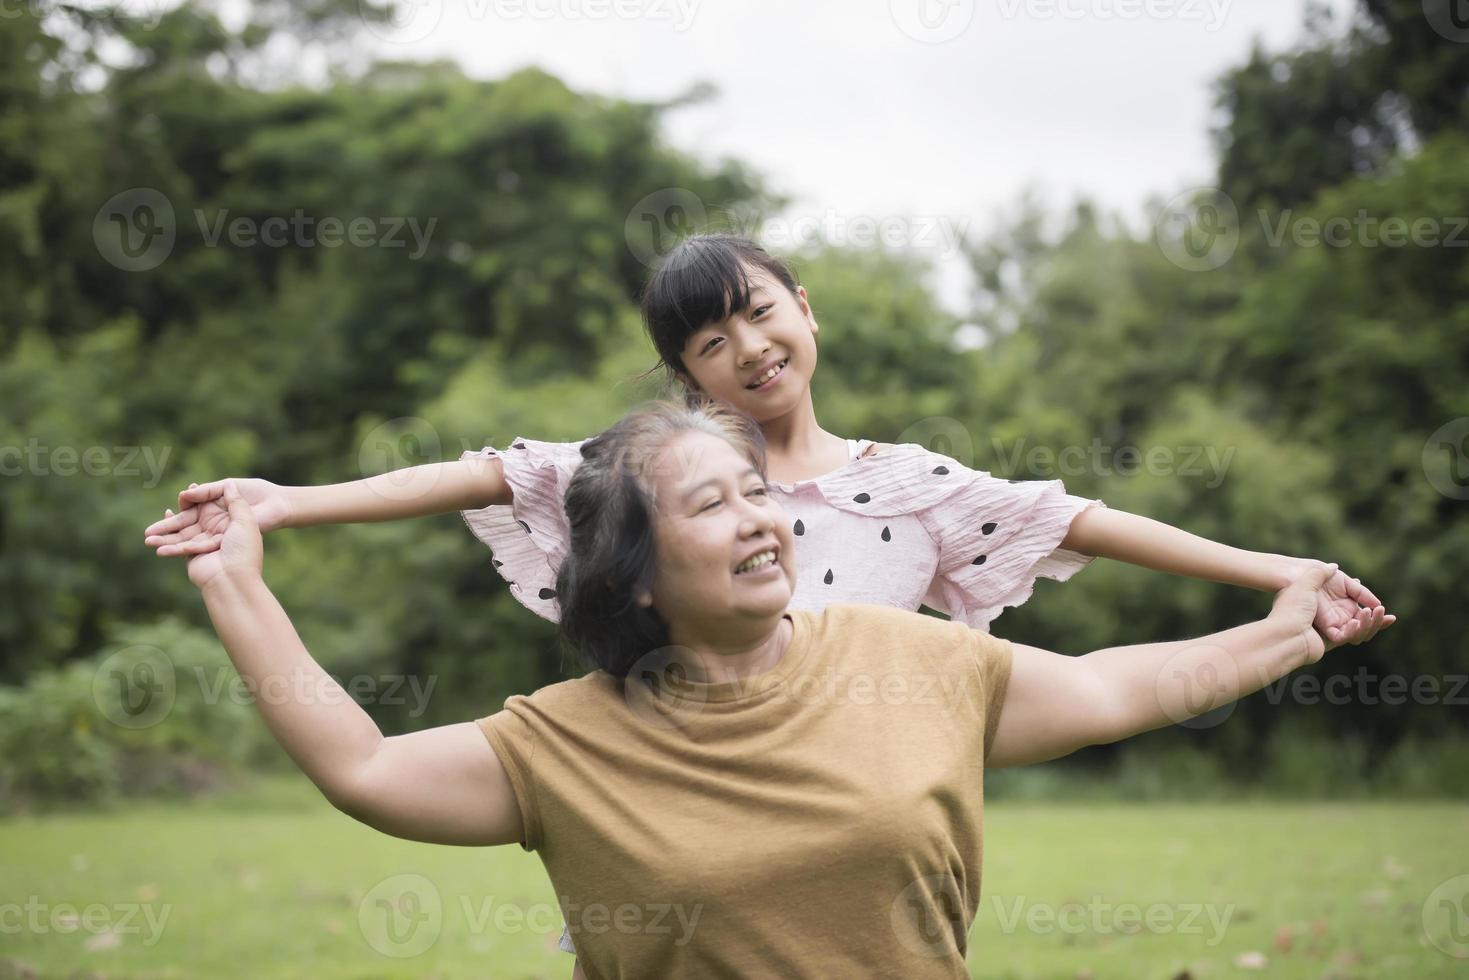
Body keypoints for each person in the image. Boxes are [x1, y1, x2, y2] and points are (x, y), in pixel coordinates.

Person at [144, 235, 1384, 969]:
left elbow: (1097, 583)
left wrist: (1279, 595)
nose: (756, 517)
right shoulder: (586, 674)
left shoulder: (912, 575)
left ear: (803, 309)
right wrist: (273, 521)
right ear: (630, 557)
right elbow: (480, 484)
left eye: (759, 310)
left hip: (878, 768)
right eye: (706, 342)